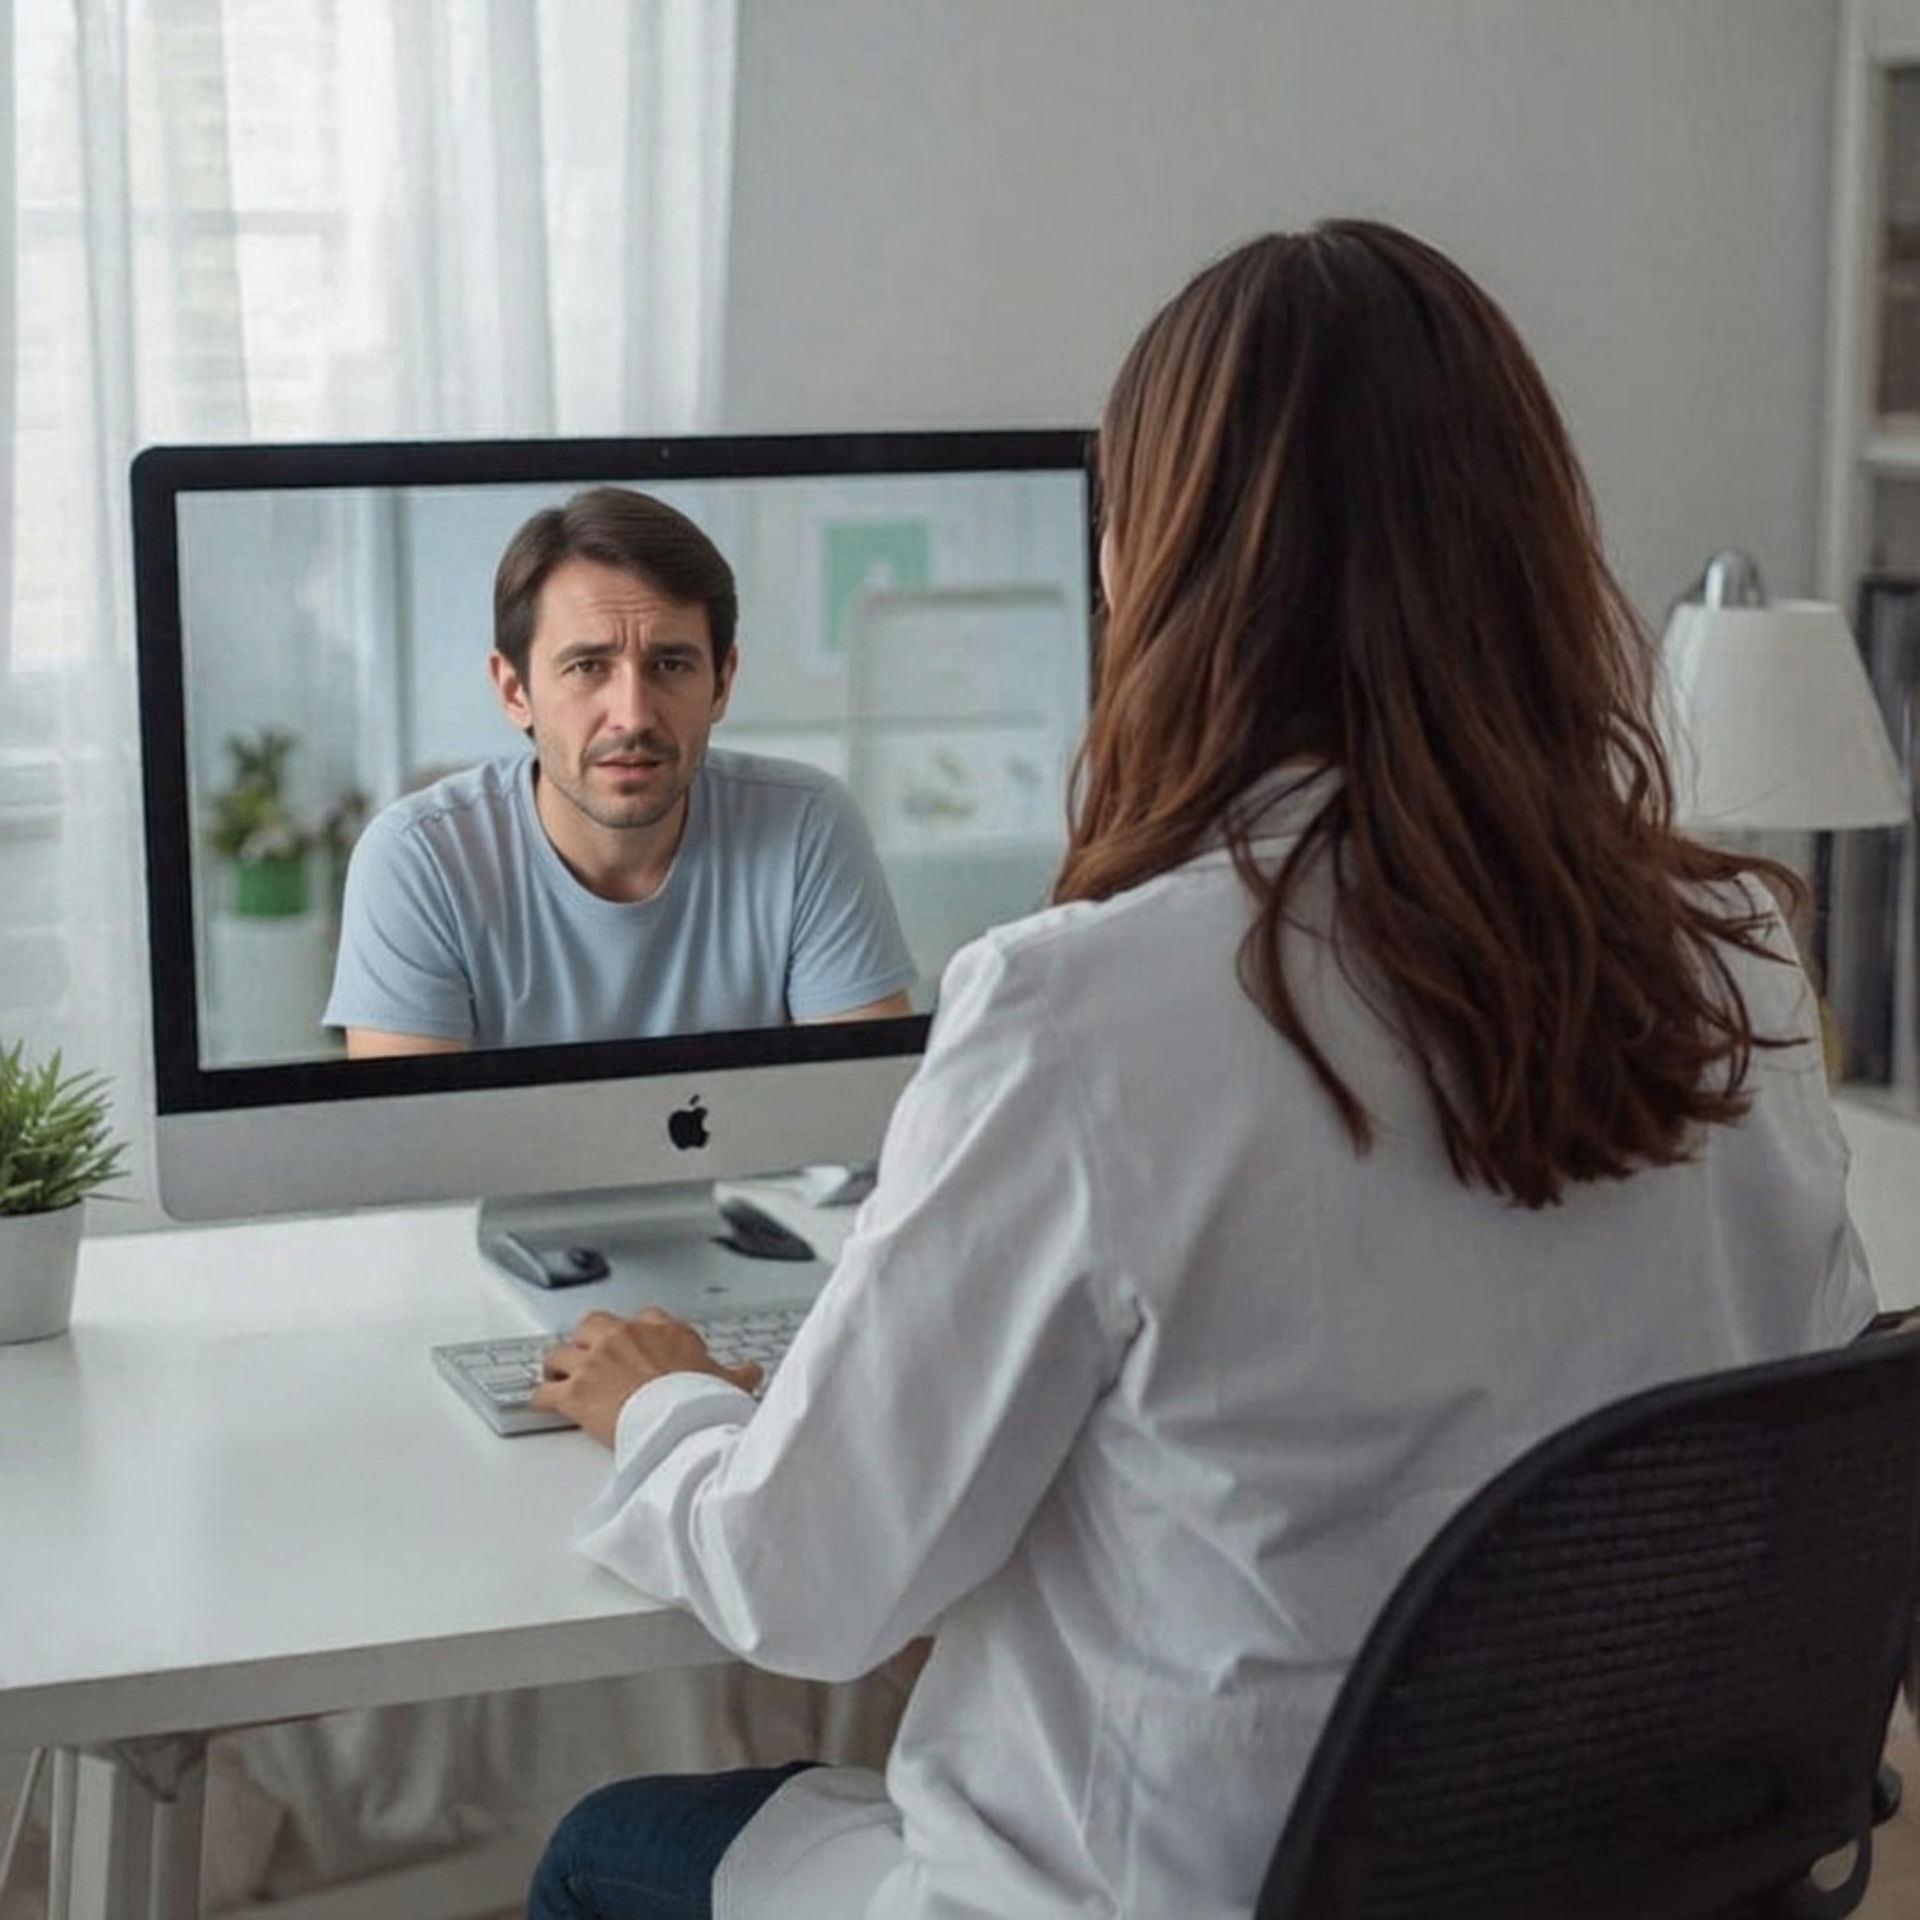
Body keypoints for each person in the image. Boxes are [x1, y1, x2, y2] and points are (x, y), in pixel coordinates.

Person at [520, 221, 1879, 1920]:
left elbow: (811, 1588)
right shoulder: (1735, 951)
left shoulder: (1083, 1008)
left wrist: (663, 1401)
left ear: (1148, 570)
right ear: (1531, 551)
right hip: (1618, 1886)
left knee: (606, 1854)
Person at [324, 486, 917, 1055]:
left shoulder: (808, 826)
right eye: (587, 667)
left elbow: (864, 1124)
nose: (632, 716)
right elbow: (418, 1151)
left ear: (722, 681)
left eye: (670, 664)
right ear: (513, 690)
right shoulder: (416, 860)